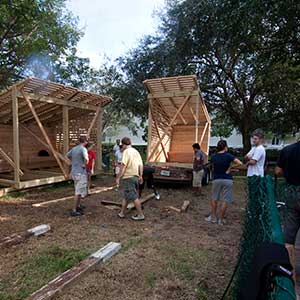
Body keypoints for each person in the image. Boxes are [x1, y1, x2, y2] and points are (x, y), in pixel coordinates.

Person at [275, 140, 300, 283]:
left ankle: (291, 277)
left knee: (289, 238)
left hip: (292, 193)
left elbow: (278, 171)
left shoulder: (288, 150)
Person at [205, 140, 243, 225]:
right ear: (225, 147)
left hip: (217, 179)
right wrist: (230, 167)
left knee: (214, 198)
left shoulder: (214, 156)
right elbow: (240, 163)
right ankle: (221, 220)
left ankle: (213, 217)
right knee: (225, 200)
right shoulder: (229, 156)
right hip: (227, 179)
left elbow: (211, 166)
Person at [116, 137, 144, 221]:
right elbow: (141, 165)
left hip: (128, 177)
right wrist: (140, 175)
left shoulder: (126, 152)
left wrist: (118, 177)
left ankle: (140, 215)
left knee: (134, 197)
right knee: (126, 196)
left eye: (122, 145)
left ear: (124, 144)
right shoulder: (136, 151)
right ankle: (122, 213)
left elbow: (123, 165)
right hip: (135, 176)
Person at [66, 136, 89, 217]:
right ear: (85, 141)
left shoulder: (74, 148)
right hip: (80, 173)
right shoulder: (83, 149)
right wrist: (83, 164)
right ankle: (74, 210)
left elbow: (67, 155)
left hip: (74, 172)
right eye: (87, 141)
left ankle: (78, 206)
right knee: (78, 192)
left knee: (77, 189)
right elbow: (86, 159)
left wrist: (74, 163)